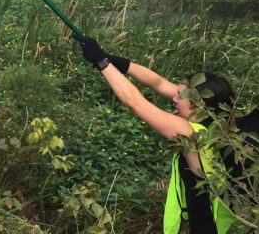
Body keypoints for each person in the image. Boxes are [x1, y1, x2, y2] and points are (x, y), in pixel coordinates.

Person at [79, 37, 237, 234]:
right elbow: (159, 82)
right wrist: (111, 60)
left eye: (180, 97)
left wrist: (101, 62)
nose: (173, 97)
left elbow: (135, 103)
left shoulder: (191, 133)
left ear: (200, 105)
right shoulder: (220, 126)